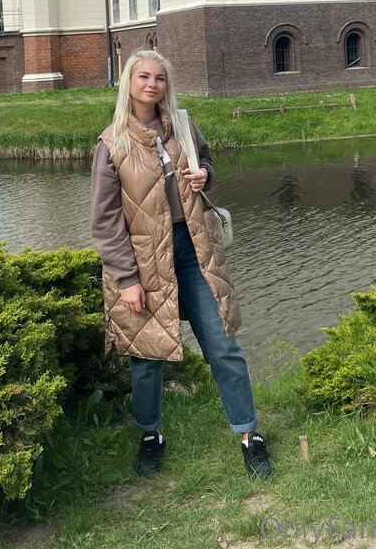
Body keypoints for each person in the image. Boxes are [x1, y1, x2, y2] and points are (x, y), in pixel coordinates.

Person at [91, 49, 272, 479]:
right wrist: (126, 279)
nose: (151, 85)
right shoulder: (111, 143)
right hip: (143, 261)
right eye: (143, 77)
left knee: (222, 344)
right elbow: (105, 221)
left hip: (194, 249)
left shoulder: (184, 126)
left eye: (159, 78)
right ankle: (150, 435)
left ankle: (249, 435)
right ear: (129, 83)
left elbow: (206, 161)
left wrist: (204, 174)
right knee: (147, 356)